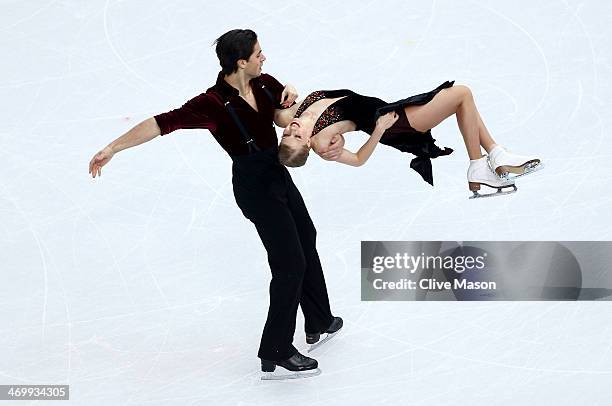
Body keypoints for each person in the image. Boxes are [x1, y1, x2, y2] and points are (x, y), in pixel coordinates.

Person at [88, 29, 343, 379]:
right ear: (241, 62)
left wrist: (291, 101)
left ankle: (319, 319)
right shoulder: (211, 103)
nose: (263, 57)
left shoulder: (266, 83)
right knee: (289, 265)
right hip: (254, 185)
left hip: (277, 173)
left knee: (306, 237)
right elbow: (162, 123)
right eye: (258, 53)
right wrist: (112, 148)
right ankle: (276, 349)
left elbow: (283, 121)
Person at [276, 82, 542, 199]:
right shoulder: (323, 144)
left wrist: (288, 86)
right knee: (461, 94)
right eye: (297, 137)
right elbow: (357, 160)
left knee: (463, 102)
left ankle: (494, 155)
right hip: (394, 125)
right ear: (307, 145)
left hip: (391, 109)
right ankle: (479, 164)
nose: (293, 130)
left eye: (287, 135)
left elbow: (266, 98)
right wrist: (379, 130)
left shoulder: (287, 116)